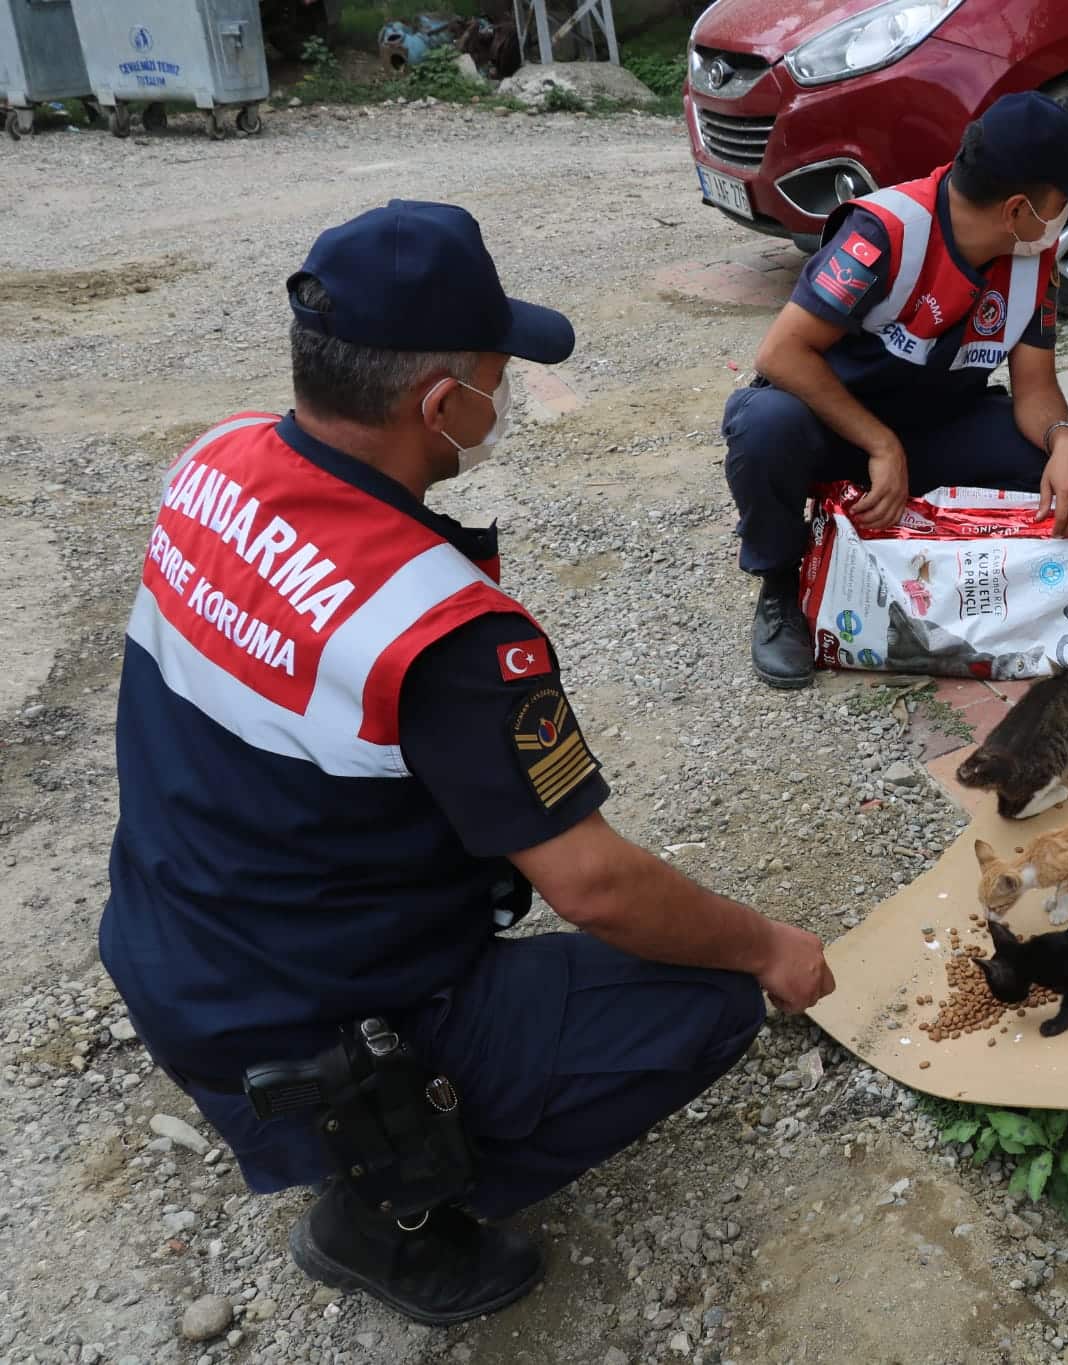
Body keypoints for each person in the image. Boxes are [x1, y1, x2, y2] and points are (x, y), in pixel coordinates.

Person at [99, 200, 835, 1326]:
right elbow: (591, 884)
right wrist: (770, 943)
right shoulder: (442, 630)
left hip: (171, 951)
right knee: (710, 1002)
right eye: (494, 381)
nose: (498, 407)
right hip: (306, 1022)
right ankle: (395, 1211)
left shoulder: (215, 461)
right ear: (440, 405)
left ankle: (350, 1120)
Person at [724, 91, 1068, 689]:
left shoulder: (1032, 256)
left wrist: (1065, 441)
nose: (1063, 217)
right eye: (1061, 203)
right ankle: (783, 581)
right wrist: (881, 445)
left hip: (933, 430)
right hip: (838, 431)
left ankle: (929, 551)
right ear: (1018, 208)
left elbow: (1035, 387)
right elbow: (781, 353)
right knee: (765, 426)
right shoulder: (886, 232)